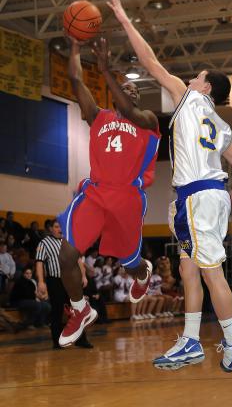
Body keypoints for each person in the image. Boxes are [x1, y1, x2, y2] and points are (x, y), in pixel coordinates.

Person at [108, 0, 232, 372]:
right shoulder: (220, 126)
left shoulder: (188, 99)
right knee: (189, 268)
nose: (190, 78)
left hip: (198, 197)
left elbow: (150, 62)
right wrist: (225, 203)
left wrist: (124, 19)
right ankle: (191, 341)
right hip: (209, 196)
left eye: (197, 77)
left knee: (209, 272)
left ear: (204, 88)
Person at [56, 35, 160, 347]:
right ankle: (80, 309)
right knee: (66, 254)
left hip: (127, 197)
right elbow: (75, 80)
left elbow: (129, 110)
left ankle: (141, 273)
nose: (129, 91)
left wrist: (105, 71)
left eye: (134, 90)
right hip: (96, 193)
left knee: (129, 261)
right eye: (124, 88)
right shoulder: (98, 116)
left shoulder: (147, 123)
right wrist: (75, 46)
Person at [36, 219, 92, 349]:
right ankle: (57, 341)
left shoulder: (69, 242)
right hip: (55, 281)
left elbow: (78, 260)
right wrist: (40, 281)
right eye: (56, 226)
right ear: (51, 228)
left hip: (71, 280)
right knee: (57, 311)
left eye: (61, 227)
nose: (59, 229)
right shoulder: (44, 243)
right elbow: (39, 262)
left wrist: (83, 276)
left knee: (78, 310)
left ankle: (81, 340)